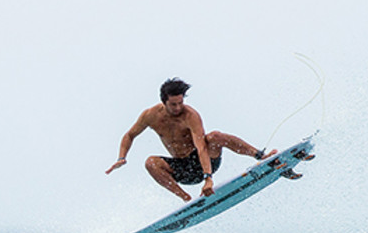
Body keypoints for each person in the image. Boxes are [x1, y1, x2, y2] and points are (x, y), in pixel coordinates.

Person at [106, 78, 276, 202]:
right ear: (163, 101)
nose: (178, 107)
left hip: (204, 161)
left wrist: (208, 178)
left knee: (215, 136)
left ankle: (261, 156)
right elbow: (130, 135)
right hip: (182, 169)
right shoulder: (150, 115)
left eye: (180, 102)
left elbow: (201, 147)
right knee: (151, 162)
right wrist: (121, 157)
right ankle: (187, 200)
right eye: (173, 104)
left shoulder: (190, 116)